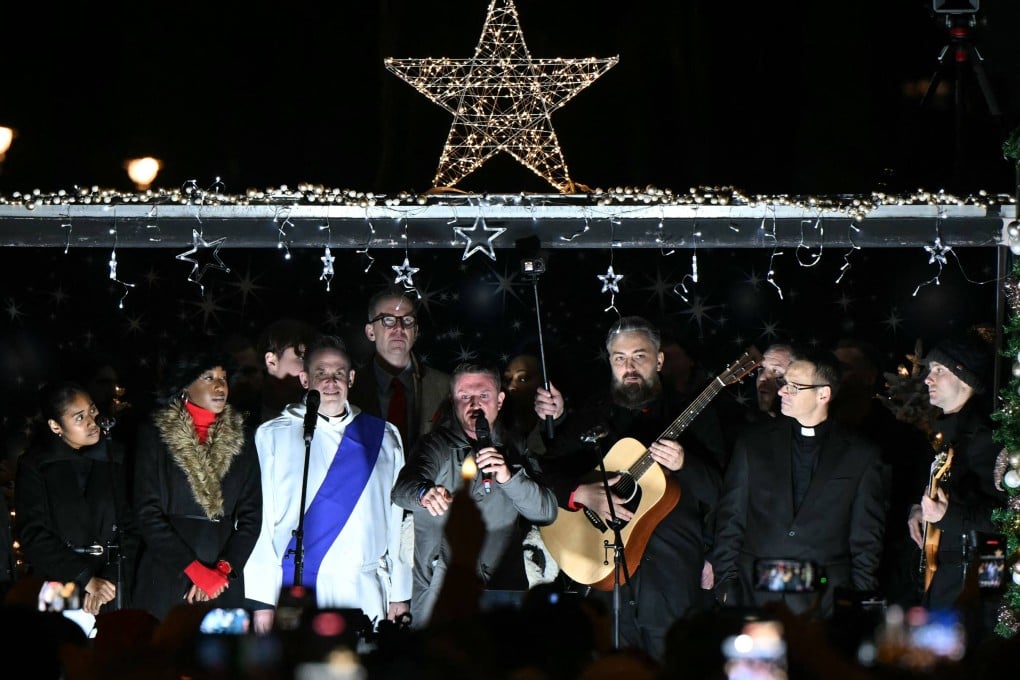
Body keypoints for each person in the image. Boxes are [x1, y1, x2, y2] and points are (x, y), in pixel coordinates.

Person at [540, 316, 725, 661]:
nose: (629, 367)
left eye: (639, 356)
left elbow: (723, 494)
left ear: (659, 360)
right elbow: (546, 471)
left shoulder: (694, 412)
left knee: (673, 661)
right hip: (605, 565)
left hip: (672, 568)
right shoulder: (594, 413)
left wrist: (686, 465)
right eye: (620, 358)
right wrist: (581, 494)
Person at [244, 334, 411, 634]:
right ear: (304, 379)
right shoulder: (272, 435)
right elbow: (260, 521)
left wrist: (399, 593)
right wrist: (262, 601)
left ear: (351, 378)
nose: (330, 382)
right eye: (321, 373)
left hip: (364, 590)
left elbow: (397, 520)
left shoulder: (384, 437)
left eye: (339, 373)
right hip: (296, 588)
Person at [709, 348, 887, 618]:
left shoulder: (861, 454)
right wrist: (726, 585)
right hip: (753, 594)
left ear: (823, 394)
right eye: (784, 384)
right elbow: (730, 517)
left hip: (824, 602)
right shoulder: (752, 443)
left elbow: (866, 538)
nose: (782, 392)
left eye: (794, 387)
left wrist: (859, 600)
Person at [391, 361, 558, 627]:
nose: (474, 404)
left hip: (500, 600)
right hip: (441, 600)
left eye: (483, 395)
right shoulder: (436, 445)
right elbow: (402, 489)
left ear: (500, 400)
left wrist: (509, 478)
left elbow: (546, 511)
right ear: (453, 400)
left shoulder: (516, 448)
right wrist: (424, 492)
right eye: (465, 396)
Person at [132, 347, 262, 621]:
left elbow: (252, 518)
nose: (219, 386)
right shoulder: (154, 435)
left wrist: (222, 571)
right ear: (184, 385)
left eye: (223, 378)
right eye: (208, 377)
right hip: (168, 570)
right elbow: (146, 513)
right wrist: (196, 572)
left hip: (222, 577)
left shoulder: (243, 438)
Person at [906, 334, 1004, 644]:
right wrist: (919, 510)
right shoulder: (947, 434)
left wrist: (948, 517)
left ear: (965, 378)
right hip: (946, 576)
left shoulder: (986, 438)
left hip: (974, 584)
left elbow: (1007, 518)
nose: (928, 378)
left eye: (939, 370)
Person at [14, 381, 137, 616]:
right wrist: (86, 578)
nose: (92, 422)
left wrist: (109, 579)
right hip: (57, 582)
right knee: (62, 637)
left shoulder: (117, 457)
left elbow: (133, 528)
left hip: (112, 585)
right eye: (79, 417)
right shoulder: (36, 465)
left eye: (92, 410)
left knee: (115, 637)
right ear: (55, 426)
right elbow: (33, 534)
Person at [831, 337, 934, 607]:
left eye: (844, 369)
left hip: (888, 570)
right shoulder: (820, 436)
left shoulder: (904, 440)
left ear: (869, 376)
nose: (836, 377)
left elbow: (920, 495)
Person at [348, 286, 450, 455]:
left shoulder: (445, 387)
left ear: (415, 332)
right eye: (388, 320)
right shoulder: (350, 389)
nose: (399, 328)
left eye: (407, 320)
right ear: (371, 332)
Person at [255, 318, 321, 426]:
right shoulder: (241, 411)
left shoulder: (319, 408)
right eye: (302, 358)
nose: (313, 367)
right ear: (271, 361)